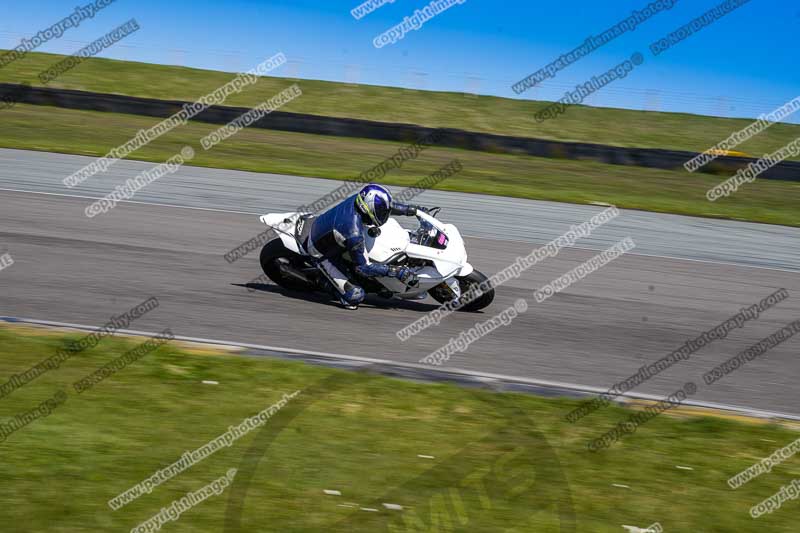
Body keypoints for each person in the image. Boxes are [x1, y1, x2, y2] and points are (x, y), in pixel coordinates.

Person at [303, 184, 431, 310]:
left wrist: (413, 210)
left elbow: (387, 207)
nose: (383, 214)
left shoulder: (360, 199)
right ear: (366, 209)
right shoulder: (354, 233)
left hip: (330, 231)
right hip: (322, 253)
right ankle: (321, 281)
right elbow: (363, 268)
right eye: (380, 212)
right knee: (354, 296)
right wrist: (395, 271)